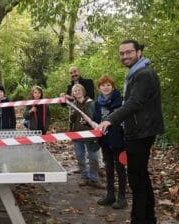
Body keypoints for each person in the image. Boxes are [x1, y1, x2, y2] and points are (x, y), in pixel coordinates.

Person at [98, 40, 164, 224]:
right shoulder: (136, 73)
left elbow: (134, 103)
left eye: (129, 52)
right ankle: (148, 218)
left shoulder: (144, 74)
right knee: (141, 176)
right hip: (139, 130)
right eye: (122, 53)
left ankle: (139, 219)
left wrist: (110, 119)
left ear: (139, 52)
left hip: (141, 132)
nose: (125, 56)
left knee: (136, 180)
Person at [93, 75, 127, 209]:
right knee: (108, 167)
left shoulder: (121, 101)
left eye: (108, 85)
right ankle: (110, 195)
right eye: (103, 85)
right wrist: (88, 122)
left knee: (120, 168)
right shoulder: (97, 103)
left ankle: (122, 197)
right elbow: (96, 119)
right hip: (104, 140)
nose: (106, 87)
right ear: (99, 88)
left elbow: (124, 118)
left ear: (113, 87)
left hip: (119, 140)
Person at [70, 84, 104, 189]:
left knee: (93, 158)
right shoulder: (73, 104)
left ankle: (94, 179)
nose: (77, 92)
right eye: (75, 91)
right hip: (77, 135)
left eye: (79, 90)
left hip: (91, 135)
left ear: (83, 91)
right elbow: (72, 121)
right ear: (73, 94)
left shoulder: (91, 103)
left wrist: (88, 121)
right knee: (80, 157)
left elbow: (97, 118)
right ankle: (85, 177)